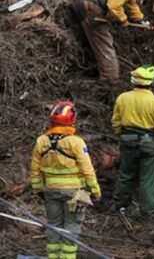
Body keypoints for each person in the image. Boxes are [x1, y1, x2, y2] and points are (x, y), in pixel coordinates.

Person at [70, 0, 154, 83]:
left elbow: (130, 3)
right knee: (104, 42)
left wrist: (140, 19)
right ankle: (110, 78)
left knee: (96, 40)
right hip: (91, 6)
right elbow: (114, 5)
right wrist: (123, 20)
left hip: (86, 4)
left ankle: (103, 74)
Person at [30, 101, 101, 259]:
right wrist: (95, 190)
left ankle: (53, 256)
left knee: (53, 225)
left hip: (50, 191)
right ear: (72, 120)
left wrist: (37, 189)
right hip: (73, 193)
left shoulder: (41, 141)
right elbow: (87, 169)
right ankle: (68, 257)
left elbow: (35, 169)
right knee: (72, 226)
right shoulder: (76, 142)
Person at [111, 65, 154, 219]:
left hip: (127, 141)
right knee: (148, 179)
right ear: (153, 82)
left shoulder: (123, 98)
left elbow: (116, 122)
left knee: (125, 174)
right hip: (150, 144)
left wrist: (121, 135)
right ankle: (148, 213)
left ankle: (120, 205)